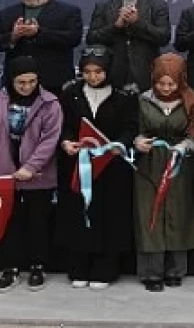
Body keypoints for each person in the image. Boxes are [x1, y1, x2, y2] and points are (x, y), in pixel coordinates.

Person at [0, 56, 63, 293]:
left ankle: (38, 266)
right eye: (21, 82)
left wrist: (31, 167)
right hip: (5, 175)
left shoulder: (50, 103)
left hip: (38, 176)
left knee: (38, 222)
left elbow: (50, 140)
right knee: (8, 222)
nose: (27, 87)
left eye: (32, 81)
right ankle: (10, 268)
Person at [55, 46, 138, 290]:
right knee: (79, 214)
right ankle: (78, 267)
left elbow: (132, 126)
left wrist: (119, 144)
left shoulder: (124, 95)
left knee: (109, 216)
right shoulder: (71, 93)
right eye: (87, 72)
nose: (93, 77)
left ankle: (105, 268)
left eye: (98, 72)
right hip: (79, 165)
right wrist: (66, 141)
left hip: (111, 167)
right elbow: (64, 123)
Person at [132, 54, 194, 292]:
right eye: (161, 84)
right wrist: (137, 141)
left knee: (178, 212)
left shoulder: (190, 100)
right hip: (148, 164)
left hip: (179, 164)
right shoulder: (141, 100)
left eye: (171, 84)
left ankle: (176, 270)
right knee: (150, 214)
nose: (166, 89)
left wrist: (186, 145)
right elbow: (133, 128)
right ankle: (151, 272)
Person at [0, 0, 84, 95]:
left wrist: (39, 33)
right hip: (16, 85)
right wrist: (13, 36)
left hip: (54, 85)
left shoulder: (68, 12)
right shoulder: (7, 14)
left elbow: (73, 38)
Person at [86, 0, 172, 92]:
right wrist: (116, 26)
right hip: (112, 76)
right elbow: (91, 39)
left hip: (147, 75)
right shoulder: (103, 6)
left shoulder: (157, 5)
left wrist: (137, 23)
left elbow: (163, 38)